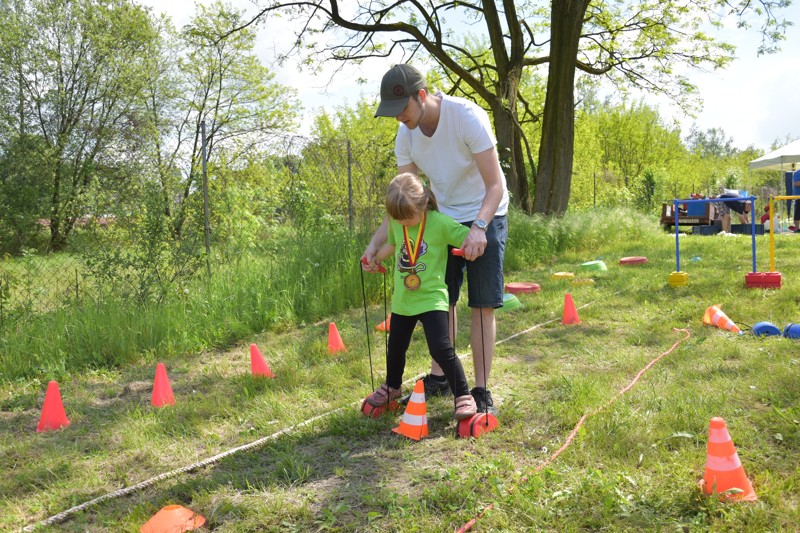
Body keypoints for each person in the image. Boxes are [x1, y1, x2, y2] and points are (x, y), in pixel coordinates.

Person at [364, 63, 509, 415]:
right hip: (440, 217)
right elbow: (404, 200)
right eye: (393, 113)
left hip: (484, 212)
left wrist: (478, 228)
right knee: (442, 299)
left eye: (402, 110)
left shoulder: (466, 118)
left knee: (481, 304)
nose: (399, 118)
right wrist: (374, 244)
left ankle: (480, 388)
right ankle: (441, 377)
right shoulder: (406, 134)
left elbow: (496, 185)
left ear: (422, 96)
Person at [365, 173, 477, 421]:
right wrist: (375, 258)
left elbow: (465, 237)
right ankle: (392, 387)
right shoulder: (397, 223)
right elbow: (394, 245)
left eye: (408, 219)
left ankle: (463, 395)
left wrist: (475, 240)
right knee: (395, 348)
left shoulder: (439, 222)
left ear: (423, 203)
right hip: (403, 300)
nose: (404, 224)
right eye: (399, 220)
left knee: (441, 348)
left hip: (432, 299)